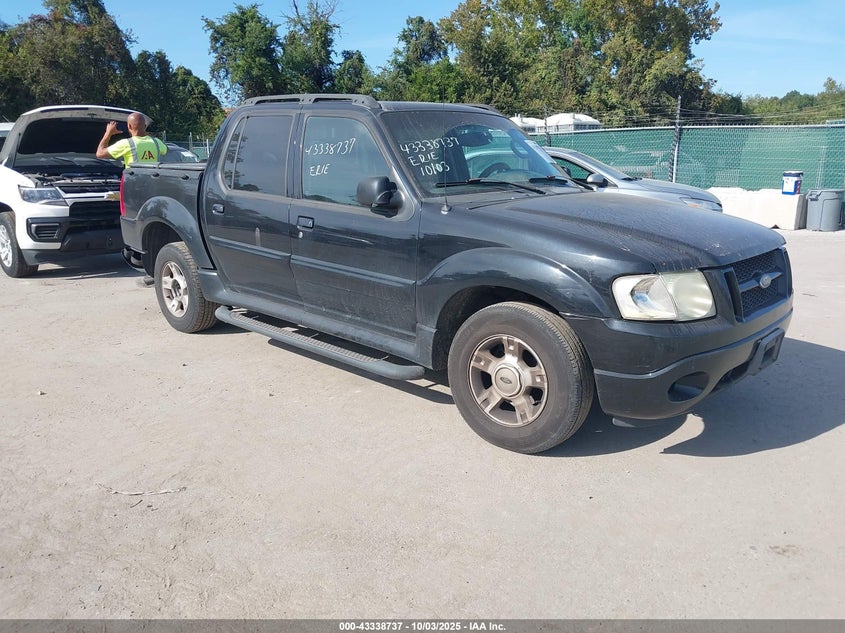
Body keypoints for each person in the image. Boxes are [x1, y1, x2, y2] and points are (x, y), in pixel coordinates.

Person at [96, 112, 166, 166]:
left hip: (134, 181)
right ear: (145, 126)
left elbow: (100, 154)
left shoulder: (126, 144)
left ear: (129, 126)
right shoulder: (157, 142)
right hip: (152, 181)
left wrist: (108, 133)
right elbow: (166, 150)